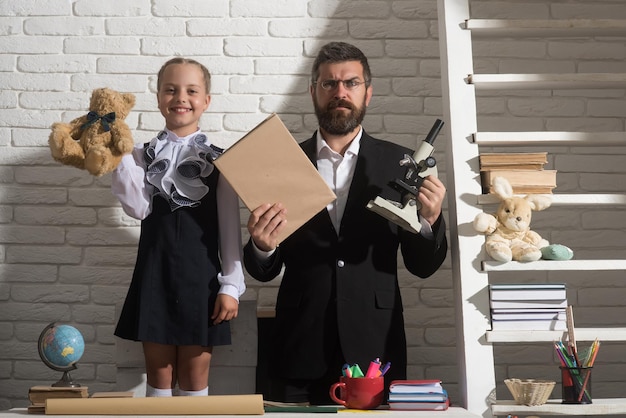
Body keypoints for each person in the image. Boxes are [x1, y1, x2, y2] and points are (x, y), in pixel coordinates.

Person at [244, 42, 448, 405]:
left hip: (374, 347)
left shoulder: (400, 163)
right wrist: (262, 246)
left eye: (350, 83)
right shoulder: (283, 163)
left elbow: (423, 266)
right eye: (329, 84)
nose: (340, 93)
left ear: (367, 93)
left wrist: (428, 222)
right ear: (313, 93)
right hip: (298, 342)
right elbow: (263, 271)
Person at [111, 57, 245, 397]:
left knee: (195, 374)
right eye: (170, 90)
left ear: (206, 101)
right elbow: (139, 208)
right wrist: (120, 155)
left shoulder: (222, 159)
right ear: (158, 98)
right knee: (159, 374)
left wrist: (231, 285)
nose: (180, 97)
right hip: (154, 273)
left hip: (202, 279)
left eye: (191, 90)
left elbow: (230, 228)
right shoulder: (141, 154)